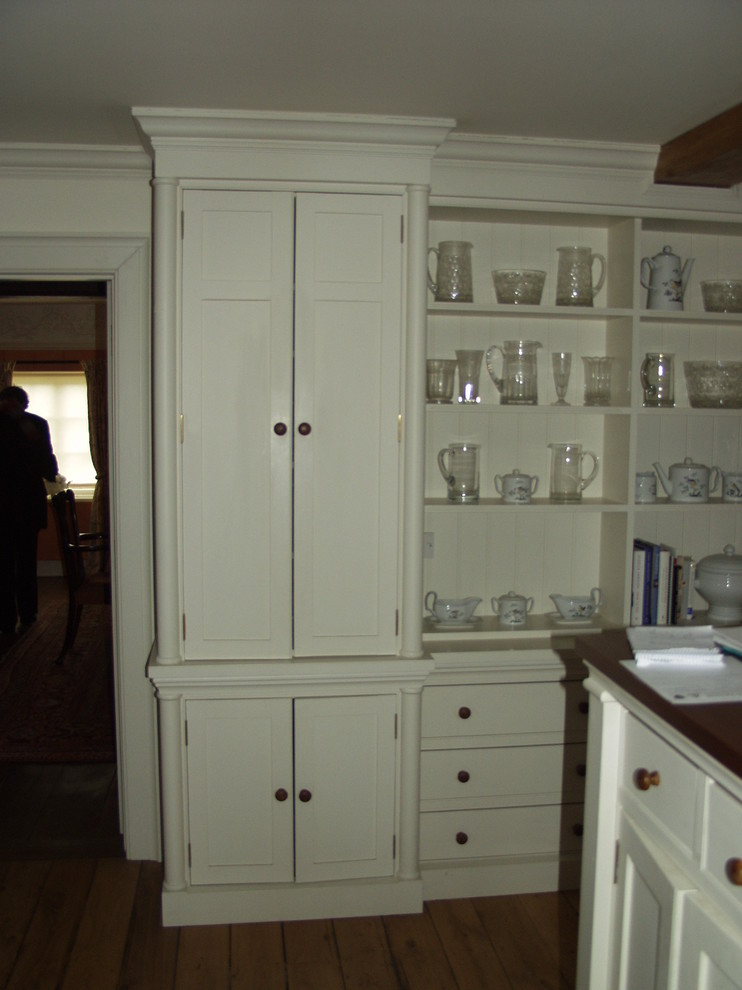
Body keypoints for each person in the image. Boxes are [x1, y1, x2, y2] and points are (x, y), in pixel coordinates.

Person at [0, 385, 59, 637]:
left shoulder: (35, 425)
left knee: (20, 563)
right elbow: (48, 466)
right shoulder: (34, 424)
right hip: (14, 507)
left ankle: (23, 616)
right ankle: (18, 617)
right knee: (14, 564)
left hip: (23, 507)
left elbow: (47, 465)